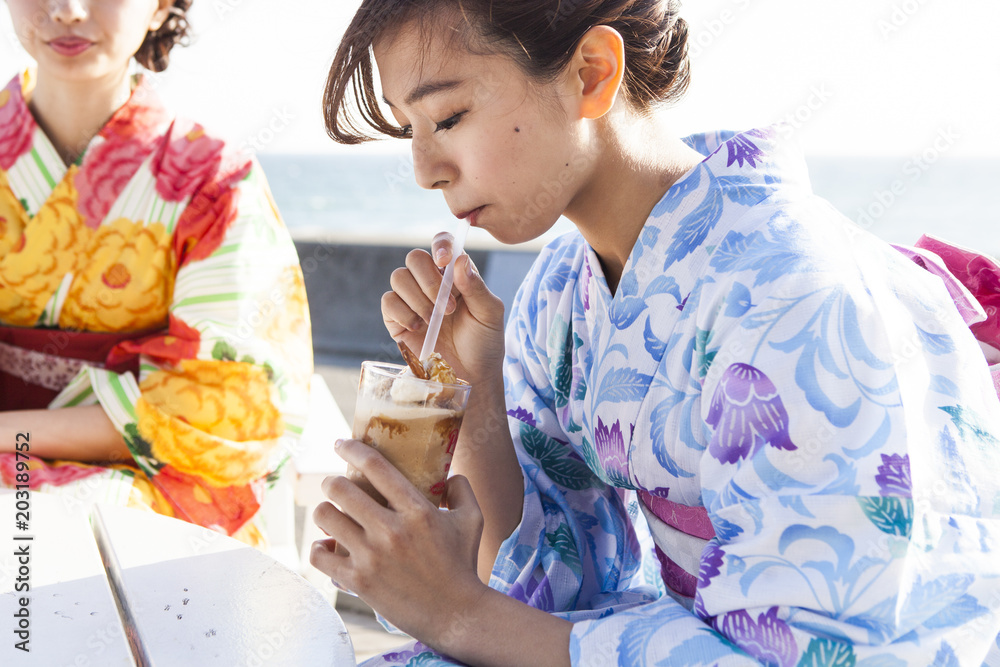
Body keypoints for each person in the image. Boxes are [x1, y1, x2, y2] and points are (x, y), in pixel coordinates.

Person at [311, 1, 1000, 665]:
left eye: (448, 117)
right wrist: (477, 390)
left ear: (590, 74)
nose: (425, 169)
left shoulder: (797, 295)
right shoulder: (559, 296)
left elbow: (831, 649)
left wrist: (455, 613)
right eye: (412, 131)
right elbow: (543, 598)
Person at [0, 0, 312, 547]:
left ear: (161, 5)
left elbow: (234, 404)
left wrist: (12, 435)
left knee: (80, 535)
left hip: (146, 481)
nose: (69, 10)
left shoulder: (212, 181)